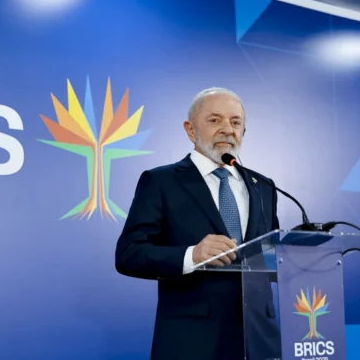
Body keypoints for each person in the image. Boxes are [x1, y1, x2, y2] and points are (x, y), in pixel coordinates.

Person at [115, 87, 281, 360]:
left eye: (235, 122)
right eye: (215, 120)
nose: (227, 129)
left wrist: (296, 259)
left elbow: (268, 254)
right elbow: (129, 254)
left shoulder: (263, 186)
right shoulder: (161, 182)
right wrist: (192, 255)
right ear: (190, 130)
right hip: (192, 340)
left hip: (258, 340)